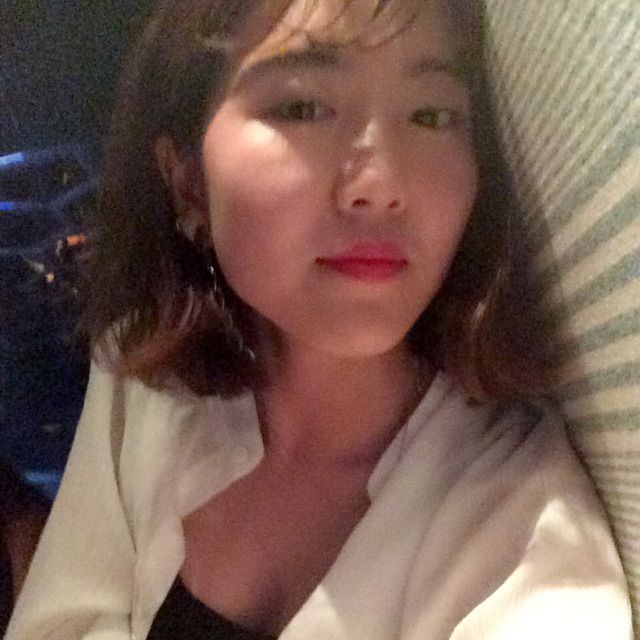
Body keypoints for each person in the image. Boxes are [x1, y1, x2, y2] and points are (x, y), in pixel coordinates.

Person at [5, 0, 633, 638]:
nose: (380, 184)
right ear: (188, 182)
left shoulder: (523, 538)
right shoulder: (141, 377)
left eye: (432, 115)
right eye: (304, 107)